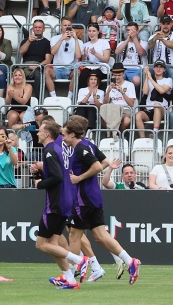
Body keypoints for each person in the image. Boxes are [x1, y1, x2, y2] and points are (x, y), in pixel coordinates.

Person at [62, 119, 141, 285]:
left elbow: (98, 166)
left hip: (84, 198)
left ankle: (69, 276)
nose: (62, 138)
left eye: (64, 134)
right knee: (100, 236)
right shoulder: (88, 144)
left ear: (72, 134)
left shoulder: (82, 148)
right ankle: (130, 261)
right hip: (93, 196)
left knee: (74, 236)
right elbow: (105, 162)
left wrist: (79, 178)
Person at [31, 121, 90, 290]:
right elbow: (58, 173)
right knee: (53, 245)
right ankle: (70, 279)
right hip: (64, 200)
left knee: (41, 244)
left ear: (47, 134)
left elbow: (57, 177)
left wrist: (40, 183)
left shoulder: (50, 150)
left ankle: (80, 260)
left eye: (40, 131)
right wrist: (43, 173)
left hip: (56, 203)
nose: (37, 133)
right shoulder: (58, 149)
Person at [45, 17, 82, 98]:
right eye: (65, 25)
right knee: (46, 71)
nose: (66, 27)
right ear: (61, 26)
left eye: (69, 25)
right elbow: (53, 52)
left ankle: (69, 97)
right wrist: (62, 39)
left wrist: (75, 39)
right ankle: (53, 97)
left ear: (71, 26)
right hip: (57, 69)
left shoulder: (78, 41)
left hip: (71, 69)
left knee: (77, 72)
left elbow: (78, 56)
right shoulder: (55, 38)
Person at [135, 61, 173, 138]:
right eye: (156, 67)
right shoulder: (148, 79)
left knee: (157, 105)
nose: (158, 69)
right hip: (149, 109)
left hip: (162, 109)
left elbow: (162, 90)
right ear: (154, 69)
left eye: (161, 67)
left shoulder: (168, 80)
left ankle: (155, 132)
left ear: (164, 70)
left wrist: (151, 79)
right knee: (138, 115)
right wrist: (146, 76)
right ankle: (142, 138)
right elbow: (145, 92)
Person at [19, 19, 52, 99]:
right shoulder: (26, 40)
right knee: (14, 73)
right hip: (25, 66)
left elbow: (48, 60)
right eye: (36, 27)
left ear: (43, 29)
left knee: (38, 74)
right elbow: (21, 52)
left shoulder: (47, 42)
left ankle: (38, 100)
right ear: (33, 29)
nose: (37, 29)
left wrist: (37, 66)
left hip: (39, 66)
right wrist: (29, 41)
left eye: (40, 27)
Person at [103, 63, 137, 133]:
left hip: (126, 109)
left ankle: (119, 133)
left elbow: (131, 104)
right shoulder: (109, 87)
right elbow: (105, 104)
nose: (117, 77)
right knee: (102, 118)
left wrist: (122, 92)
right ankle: (114, 134)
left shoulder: (130, 85)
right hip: (113, 109)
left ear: (123, 74)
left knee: (127, 120)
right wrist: (108, 91)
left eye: (119, 75)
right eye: (115, 75)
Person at [114, 22, 148, 89]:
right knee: (116, 78)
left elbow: (141, 53)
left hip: (137, 68)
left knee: (136, 81)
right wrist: (127, 40)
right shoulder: (122, 43)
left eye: (132, 30)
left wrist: (134, 38)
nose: (130, 32)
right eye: (128, 30)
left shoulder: (144, 43)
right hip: (123, 68)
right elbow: (117, 52)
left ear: (137, 31)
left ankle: (133, 96)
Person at [79, 23, 111, 91]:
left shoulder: (104, 42)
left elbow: (106, 59)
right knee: (83, 75)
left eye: (93, 31)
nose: (91, 33)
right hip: (89, 67)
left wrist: (95, 53)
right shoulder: (85, 44)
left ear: (98, 32)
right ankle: (82, 96)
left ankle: (96, 96)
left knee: (92, 75)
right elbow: (84, 61)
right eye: (89, 31)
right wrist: (85, 55)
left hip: (101, 68)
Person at [147, 15, 173, 81]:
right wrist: (155, 38)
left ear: (171, 25)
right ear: (160, 24)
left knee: (172, 72)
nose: (165, 26)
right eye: (163, 24)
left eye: (168, 24)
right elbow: (149, 46)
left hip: (170, 66)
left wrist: (162, 39)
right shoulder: (154, 36)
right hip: (156, 66)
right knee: (146, 70)